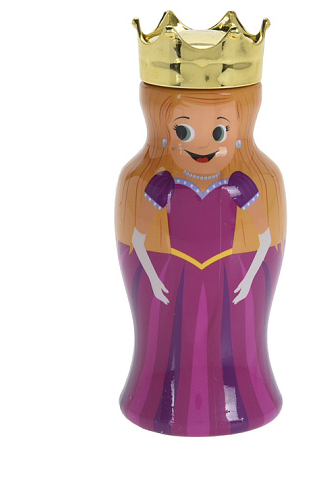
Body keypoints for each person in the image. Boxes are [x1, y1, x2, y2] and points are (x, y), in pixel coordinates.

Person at [117, 82, 285, 435]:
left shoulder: (248, 182)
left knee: (231, 331)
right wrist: (155, 280)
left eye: (219, 130)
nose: (203, 145)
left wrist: (247, 279)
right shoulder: (154, 182)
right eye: (184, 131)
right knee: (173, 334)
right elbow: (138, 240)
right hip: (175, 281)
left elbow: (266, 239)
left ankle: (244, 395)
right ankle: (157, 397)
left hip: (227, 280)